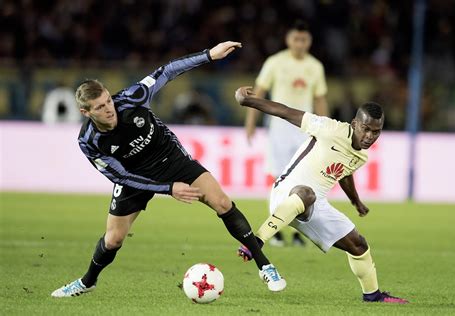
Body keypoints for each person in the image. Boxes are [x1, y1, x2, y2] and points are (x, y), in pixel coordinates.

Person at [51, 42, 286, 298]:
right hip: (136, 177)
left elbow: (168, 70)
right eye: (100, 107)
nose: (109, 109)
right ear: (85, 112)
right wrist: (168, 189)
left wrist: (209, 55)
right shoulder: (89, 141)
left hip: (172, 159)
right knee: (113, 239)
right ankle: (87, 282)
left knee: (222, 202)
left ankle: (266, 266)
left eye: (108, 100)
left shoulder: (131, 98)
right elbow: (121, 176)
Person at [234, 86, 408, 304]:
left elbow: (345, 174)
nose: (369, 136)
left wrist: (356, 201)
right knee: (307, 193)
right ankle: (257, 241)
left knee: (359, 245)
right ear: (354, 124)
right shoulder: (329, 128)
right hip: (286, 193)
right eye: (365, 129)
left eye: (376, 132)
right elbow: (286, 111)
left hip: (314, 203)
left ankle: (373, 295)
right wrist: (247, 101)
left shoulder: (361, 156)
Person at [245, 20, 329, 247]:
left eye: (304, 40)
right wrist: (250, 122)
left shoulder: (315, 67)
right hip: (279, 128)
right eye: (296, 39)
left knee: (306, 178)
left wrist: (327, 129)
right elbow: (258, 93)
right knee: (279, 178)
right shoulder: (275, 62)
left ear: (309, 41)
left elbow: (319, 99)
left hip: (306, 128)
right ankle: (277, 231)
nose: (300, 44)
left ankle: (300, 233)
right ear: (288, 39)